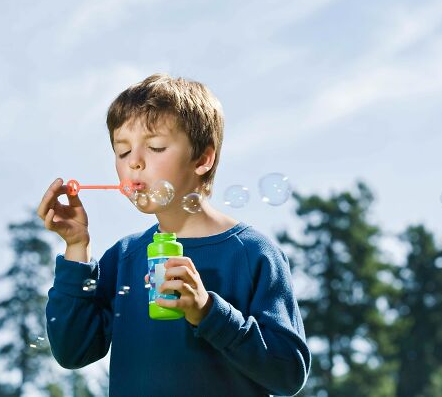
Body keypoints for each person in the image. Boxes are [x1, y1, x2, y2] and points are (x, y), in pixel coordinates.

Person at [36, 73, 311, 396]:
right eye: (122, 151)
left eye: (155, 146)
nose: (134, 163)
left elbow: (288, 374)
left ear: (203, 159)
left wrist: (208, 311)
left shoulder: (253, 254)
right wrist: (77, 247)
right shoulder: (125, 257)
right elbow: (72, 351)